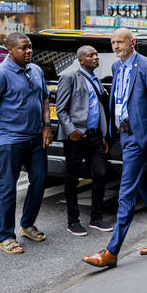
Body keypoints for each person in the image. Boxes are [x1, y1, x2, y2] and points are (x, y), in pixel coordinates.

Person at [83, 28, 147, 268]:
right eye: (112, 42)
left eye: (120, 42)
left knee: (126, 192)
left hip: (140, 138)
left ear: (132, 42)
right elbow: (118, 101)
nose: (115, 46)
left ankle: (111, 251)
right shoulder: (116, 67)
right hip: (124, 135)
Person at [0, 32, 52, 255]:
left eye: (30, 47)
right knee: (7, 187)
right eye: (23, 48)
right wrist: (7, 119)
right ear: (10, 49)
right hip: (10, 140)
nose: (28, 51)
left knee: (40, 180)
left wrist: (46, 125)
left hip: (35, 137)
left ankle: (27, 224)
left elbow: (44, 97)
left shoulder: (36, 70)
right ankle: (5, 236)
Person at [55, 45, 113, 236]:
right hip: (76, 137)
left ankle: (96, 218)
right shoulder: (69, 77)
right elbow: (61, 108)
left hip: (95, 136)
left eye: (96, 55)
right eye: (90, 55)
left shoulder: (96, 79)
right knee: (72, 178)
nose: (96, 57)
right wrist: (71, 131)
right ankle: (73, 221)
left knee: (100, 174)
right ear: (81, 60)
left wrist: (103, 136)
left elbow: (100, 110)